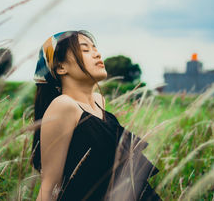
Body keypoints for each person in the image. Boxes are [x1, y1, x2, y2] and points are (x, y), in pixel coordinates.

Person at [30, 30, 161, 200]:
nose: (97, 54)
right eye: (85, 50)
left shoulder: (99, 101)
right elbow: (50, 186)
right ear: (61, 67)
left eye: (95, 48)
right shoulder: (64, 106)